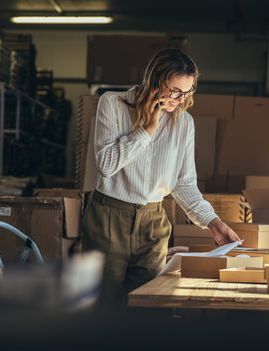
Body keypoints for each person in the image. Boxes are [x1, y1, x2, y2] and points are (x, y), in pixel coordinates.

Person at [82, 48, 240, 309]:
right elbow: (106, 165)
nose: (180, 99)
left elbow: (184, 183)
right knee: (103, 308)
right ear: (154, 81)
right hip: (108, 218)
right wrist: (147, 130)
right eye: (175, 91)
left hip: (154, 224)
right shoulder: (113, 103)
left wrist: (213, 223)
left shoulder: (184, 123)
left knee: (147, 307)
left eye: (187, 92)